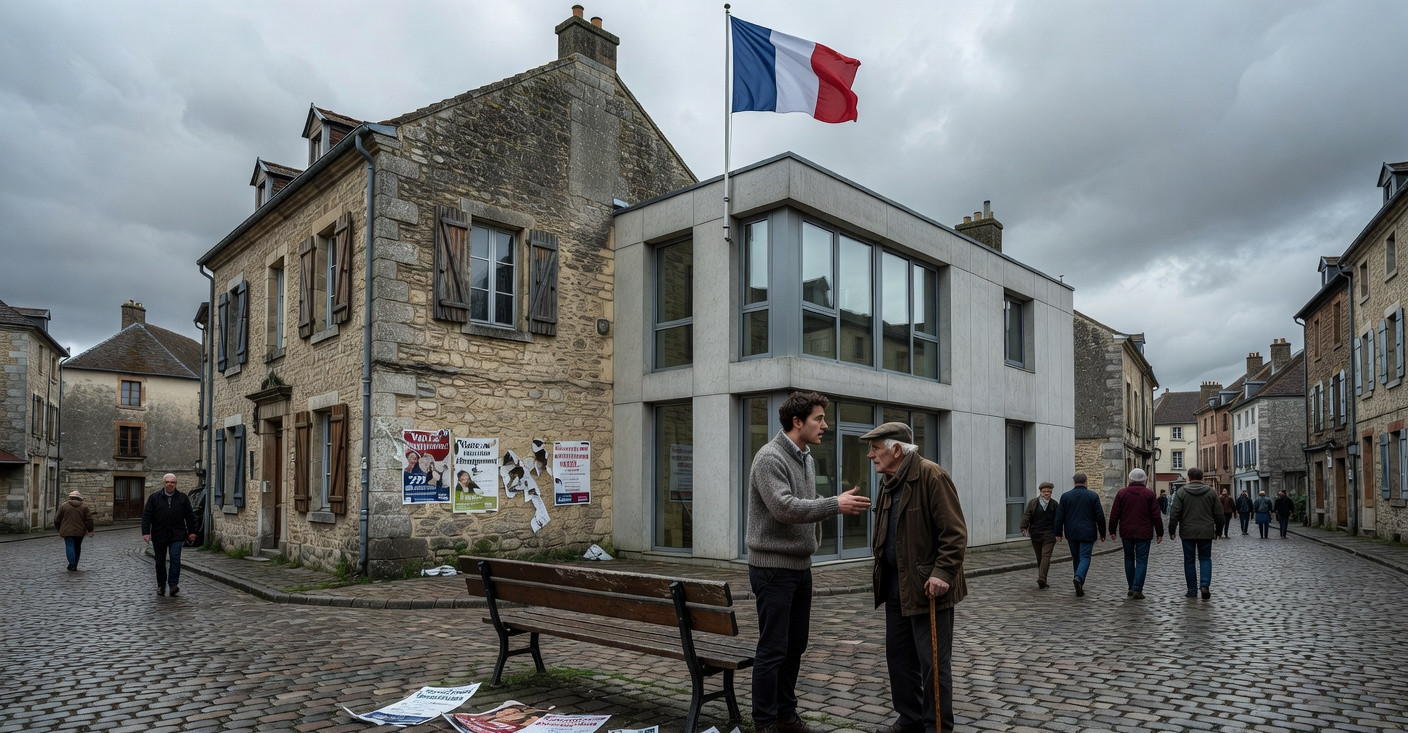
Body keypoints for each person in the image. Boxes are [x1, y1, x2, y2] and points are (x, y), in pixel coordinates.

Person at [747, 391, 870, 733]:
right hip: (773, 569)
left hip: (800, 568)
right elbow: (784, 507)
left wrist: (834, 502)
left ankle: (786, 712)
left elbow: (805, 500)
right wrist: (834, 504)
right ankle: (765, 721)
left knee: (795, 645)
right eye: (818, 419)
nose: (825, 426)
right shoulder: (769, 458)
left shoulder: (806, 457)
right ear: (796, 422)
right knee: (773, 648)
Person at [864, 422, 967, 733]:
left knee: (933, 666)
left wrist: (942, 573)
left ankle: (937, 726)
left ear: (896, 450)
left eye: (875, 448)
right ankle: (909, 719)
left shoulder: (931, 475)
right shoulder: (887, 482)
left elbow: (954, 533)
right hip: (896, 587)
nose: (870, 455)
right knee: (899, 659)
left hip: (928, 588)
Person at [1107, 469, 1164, 600]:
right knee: (1141, 560)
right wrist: (1159, 532)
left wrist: (1112, 530)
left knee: (1128, 559)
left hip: (1126, 531)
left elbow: (1114, 514)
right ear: (1144, 480)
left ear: (1130, 479)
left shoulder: (1122, 493)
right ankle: (1138, 588)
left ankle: (1131, 587)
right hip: (1144, 532)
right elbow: (1156, 515)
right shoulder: (1149, 494)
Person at [142, 473, 198, 597]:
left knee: (175, 558)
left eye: (172, 482)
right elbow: (147, 516)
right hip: (159, 534)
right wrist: (146, 532)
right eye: (167, 482)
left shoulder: (182, 498)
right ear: (163, 483)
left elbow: (190, 516)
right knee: (160, 561)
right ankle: (161, 585)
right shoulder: (154, 498)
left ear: (176, 484)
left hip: (177, 534)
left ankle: (173, 585)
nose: (170, 484)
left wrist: (192, 531)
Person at [1168, 467, 1219, 599]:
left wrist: (1172, 530)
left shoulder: (1181, 492)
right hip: (1206, 531)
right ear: (1201, 477)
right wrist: (1218, 531)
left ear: (1189, 478)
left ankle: (1192, 590)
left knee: (1189, 560)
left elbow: (1175, 513)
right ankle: (1204, 585)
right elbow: (1219, 514)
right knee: (1205, 558)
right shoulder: (1211, 492)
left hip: (1187, 531)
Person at [1053, 472, 1106, 597]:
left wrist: (1058, 532)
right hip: (1088, 531)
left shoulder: (1066, 496)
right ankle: (1079, 577)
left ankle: (1079, 581)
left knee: (1076, 557)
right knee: (1085, 557)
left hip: (1071, 532)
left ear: (1074, 482)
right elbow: (1100, 516)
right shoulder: (1093, 496)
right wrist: (1103, 533)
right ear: (1086, 482)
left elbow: (1059, 516)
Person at [1020, 482, 1058, 589]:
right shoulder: (1033, 503)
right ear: (1040, 492)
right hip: (1036, 534)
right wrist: (1024, 528)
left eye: (1049, 492)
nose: (1047, 494)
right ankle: (1043, 579)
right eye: (1045, 491)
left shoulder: (1054, 504)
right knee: (1040, 557)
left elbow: (1059, 519)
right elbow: (1027, 515)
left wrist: (1059, 532)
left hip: (1050, 535)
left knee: (1046, 556)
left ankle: (1041, 578)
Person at [55, 490, 95, 571]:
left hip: (67, 531)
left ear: (70, 497)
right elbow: (89, 520)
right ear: (79, 498)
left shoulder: (64, 506)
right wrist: (90, 530)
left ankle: (72, 563)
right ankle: (75, 564)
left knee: (69, 546)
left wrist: (59, 528)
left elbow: (57, 519)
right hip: (80, 531)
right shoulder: (84, 507)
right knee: (77, 547)